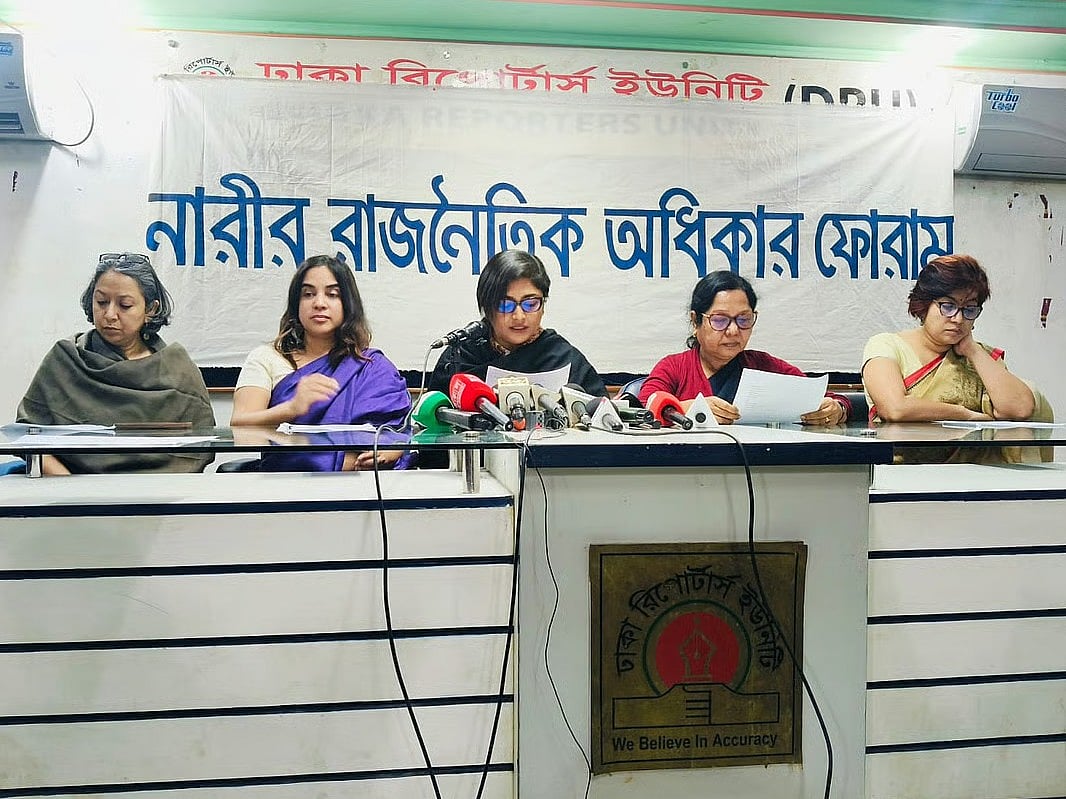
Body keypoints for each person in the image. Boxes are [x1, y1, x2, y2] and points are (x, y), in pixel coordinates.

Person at [16, 252, 215, 474]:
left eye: (125, 305)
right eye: (101, 302)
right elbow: (28, 436)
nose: (110, 314)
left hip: (163, 490)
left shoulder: (177, 368)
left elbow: (198, 447)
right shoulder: (66, 359)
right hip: (73, 489)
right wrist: (69, 485)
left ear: (150, 309)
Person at [231, 254, 412, 471]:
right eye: (308, 294)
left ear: (348, 304)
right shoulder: (267, 357)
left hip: (362, 484)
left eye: (332, 294)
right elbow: (240, 424)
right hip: (286, 482)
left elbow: (397, 431)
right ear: (296, 304)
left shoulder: (371, 365)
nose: (319, 303)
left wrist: (389, 451)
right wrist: (291, 408)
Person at [861, 255, 1052, 458]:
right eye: (948, 306)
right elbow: (895, 409)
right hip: (904, 469)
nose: (958, 319)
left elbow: (1020, 409)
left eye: (969, 309)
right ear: (923, 305)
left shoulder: (982, 356)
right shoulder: (887, 345)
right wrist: (964, 415)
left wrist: (972, 350)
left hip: (977, 471)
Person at [638, 271, 851, 425]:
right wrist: (689, 408)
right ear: (696, 321)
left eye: (744, 319)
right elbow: (644, 406)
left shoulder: (764, 365)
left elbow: (830, 398)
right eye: (720, 320)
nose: (733, 331)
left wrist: (836, 410)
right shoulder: (675, 367)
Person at [428, 249, 607, 397]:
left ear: (543, 306)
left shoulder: (562, 357)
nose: (519, 316)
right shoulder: (460, 356)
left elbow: (601, 417)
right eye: (505, 305)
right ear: (487, 308)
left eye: (531, 304)